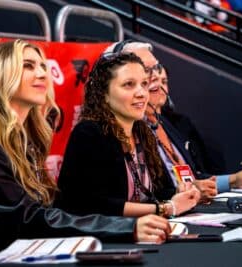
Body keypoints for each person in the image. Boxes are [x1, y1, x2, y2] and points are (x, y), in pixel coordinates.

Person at [0, 39, 171, 264]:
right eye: (28, 66)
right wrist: (126, 227)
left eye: (42, 65)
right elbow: (29, 218)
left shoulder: (24, 138)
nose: (42, 73)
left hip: (24, 249)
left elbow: (48, 209)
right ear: (0, 76)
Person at [105, 40, 242, 201]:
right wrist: (178, 195)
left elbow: (193, 178)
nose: (155, 76)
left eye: (156, 68)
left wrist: (234, 181)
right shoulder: (117, 132)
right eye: (145, 70)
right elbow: (134, 197)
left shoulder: (166, 124)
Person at [55, 51, 200, 218]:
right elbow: (91, 205)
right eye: (129, 84)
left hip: (141, 232)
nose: (141, 93)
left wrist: (179, 192)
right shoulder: (89, 133)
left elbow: (152, 193)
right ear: (104, 95)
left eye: (144, 84)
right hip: (100, 239)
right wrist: (165, 208)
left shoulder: (142, 132)